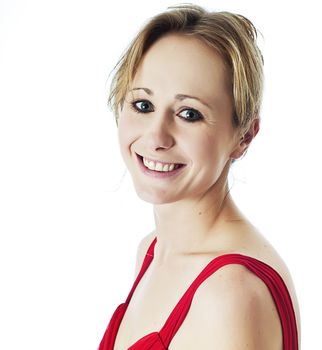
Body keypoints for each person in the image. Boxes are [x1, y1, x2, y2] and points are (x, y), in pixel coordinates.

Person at [99, 4, 300, 349]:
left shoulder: (230, 293)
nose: (156, 138)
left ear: (244, 137)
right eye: (143, 105)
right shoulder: (152, 250)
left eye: (189, 113)